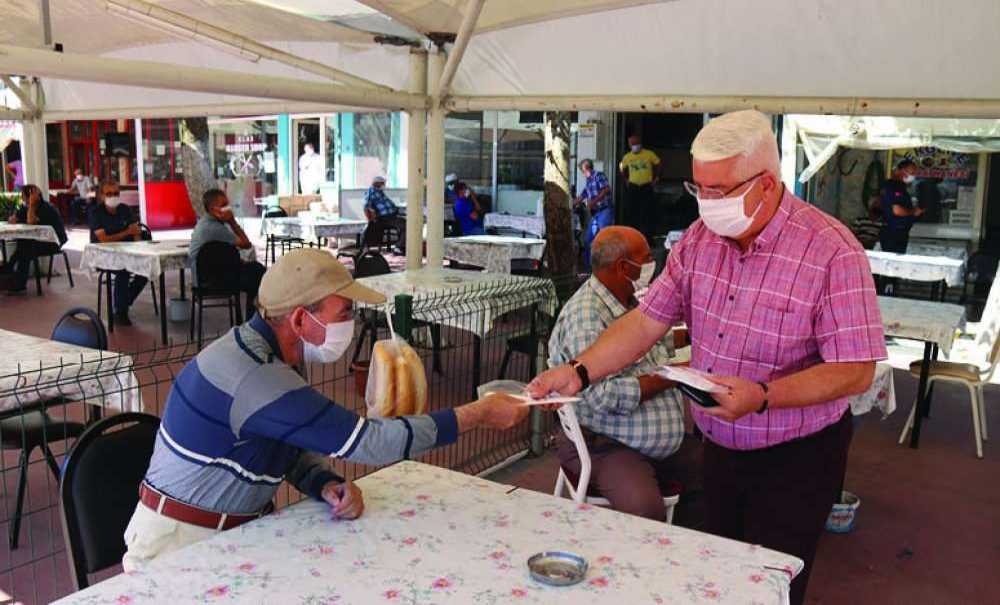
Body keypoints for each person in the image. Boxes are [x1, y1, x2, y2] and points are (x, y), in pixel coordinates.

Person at [529, 110, 886, 605]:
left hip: (797, 455)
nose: (708, 205)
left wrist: (764, 396)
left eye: (720, 190)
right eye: (699, 189)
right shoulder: (699, 241)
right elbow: (646, 321)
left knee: (769, 581)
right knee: (717, 572)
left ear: (766, 184)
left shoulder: (831, 251)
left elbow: (856, 369)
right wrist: (578, 371)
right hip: (720, 444)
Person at [122, 248, 529, 571]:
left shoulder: (260, 353)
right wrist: (479, 413)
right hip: (181, 547)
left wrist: (322, 482)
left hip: (226, 534)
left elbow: (279, 444)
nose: (350, 324)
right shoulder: (257, 376)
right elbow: (370, 442)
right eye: (344, 314)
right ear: (300, 319)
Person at [549, 226, 688, 521]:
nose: (653, 264)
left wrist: (692, 337)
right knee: (644, 512)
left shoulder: (627, 300)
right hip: (604, 442)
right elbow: (601, 395)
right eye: (647, 258)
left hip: (641, 441)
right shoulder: (587, 315)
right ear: (624, 267)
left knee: (721, 480)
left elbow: (653, 339)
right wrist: (670, 377)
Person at [189, 189, 266, 318]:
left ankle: (251, 318)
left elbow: (223, 253)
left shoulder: (205, 223)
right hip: (212, 280)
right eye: (224, 205)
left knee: (255, 270)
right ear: (214, 210)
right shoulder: (215, 228)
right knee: (257, 274)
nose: (228, 208)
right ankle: (252, 319)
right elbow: (246, 244)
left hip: (209, 276)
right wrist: (232, 222)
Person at [89, 180, 148, 325]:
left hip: (127, 252)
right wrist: (127, 232)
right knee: (123, 270)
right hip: (103, 254)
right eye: (109, 194)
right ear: (102, 196)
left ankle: (124, 302)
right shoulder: (96, 213)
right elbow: (103, 239)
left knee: (147, 268)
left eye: (116, 193)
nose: (113, 196)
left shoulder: (125, 209)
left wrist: (139, 244)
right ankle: (121, 313)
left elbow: (135, 232)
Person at [3, 184, 68, 294]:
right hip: (37, 241)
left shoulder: (47, 208)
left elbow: (31, 221)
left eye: (24, 196)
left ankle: (17, 282)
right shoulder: (26, 207)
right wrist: (14, 218)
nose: (22, 199)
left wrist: (32, 205)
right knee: (23, 243)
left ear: (32, 196)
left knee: (25, 247)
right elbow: (13, 219)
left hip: (53, 243)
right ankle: (9, 275)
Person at [619, 134, 661, 240]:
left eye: (636, 143)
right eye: (632, 144)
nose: (634, 146)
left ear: (640, 144)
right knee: (632, 212)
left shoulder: (649, 154)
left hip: (646, 186)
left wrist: (657, 178)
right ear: (629, 145)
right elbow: (622, 169)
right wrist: (626, 180)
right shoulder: (627, 157)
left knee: (647, 212)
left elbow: (659, 164)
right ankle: (633, 237)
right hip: (634, 187)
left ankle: (648, 237)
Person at [878, 159, 923, 253]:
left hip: (900, 232)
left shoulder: (901, 187)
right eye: (912, 172)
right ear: (902, 170)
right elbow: (897, 210)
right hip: (892, 233)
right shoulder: (892, 186)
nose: (913, 175)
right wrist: (914, 212)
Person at [574, 159, 612, 269]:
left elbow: (606, 189)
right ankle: (588, 269)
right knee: (587, 240)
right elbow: (584, 193)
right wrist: (573, 203)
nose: (582, 173)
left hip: (605, 210)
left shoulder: (598, 175)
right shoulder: (589, 180)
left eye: (582, 170)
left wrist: (593, 202)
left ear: (586, 168)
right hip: (596, 213)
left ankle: (606, 268)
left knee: (605, 240)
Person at [363, 175, 400, 248]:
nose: (384, 185)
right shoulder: (371, 192)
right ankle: (400, 247)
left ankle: (401, 245)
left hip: (392, 215)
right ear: (377, 183)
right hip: (385, 218)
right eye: (383, 183)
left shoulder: (380, 192)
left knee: (405, 222)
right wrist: (371, 219)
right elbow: (366, 206)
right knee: (405, 225)